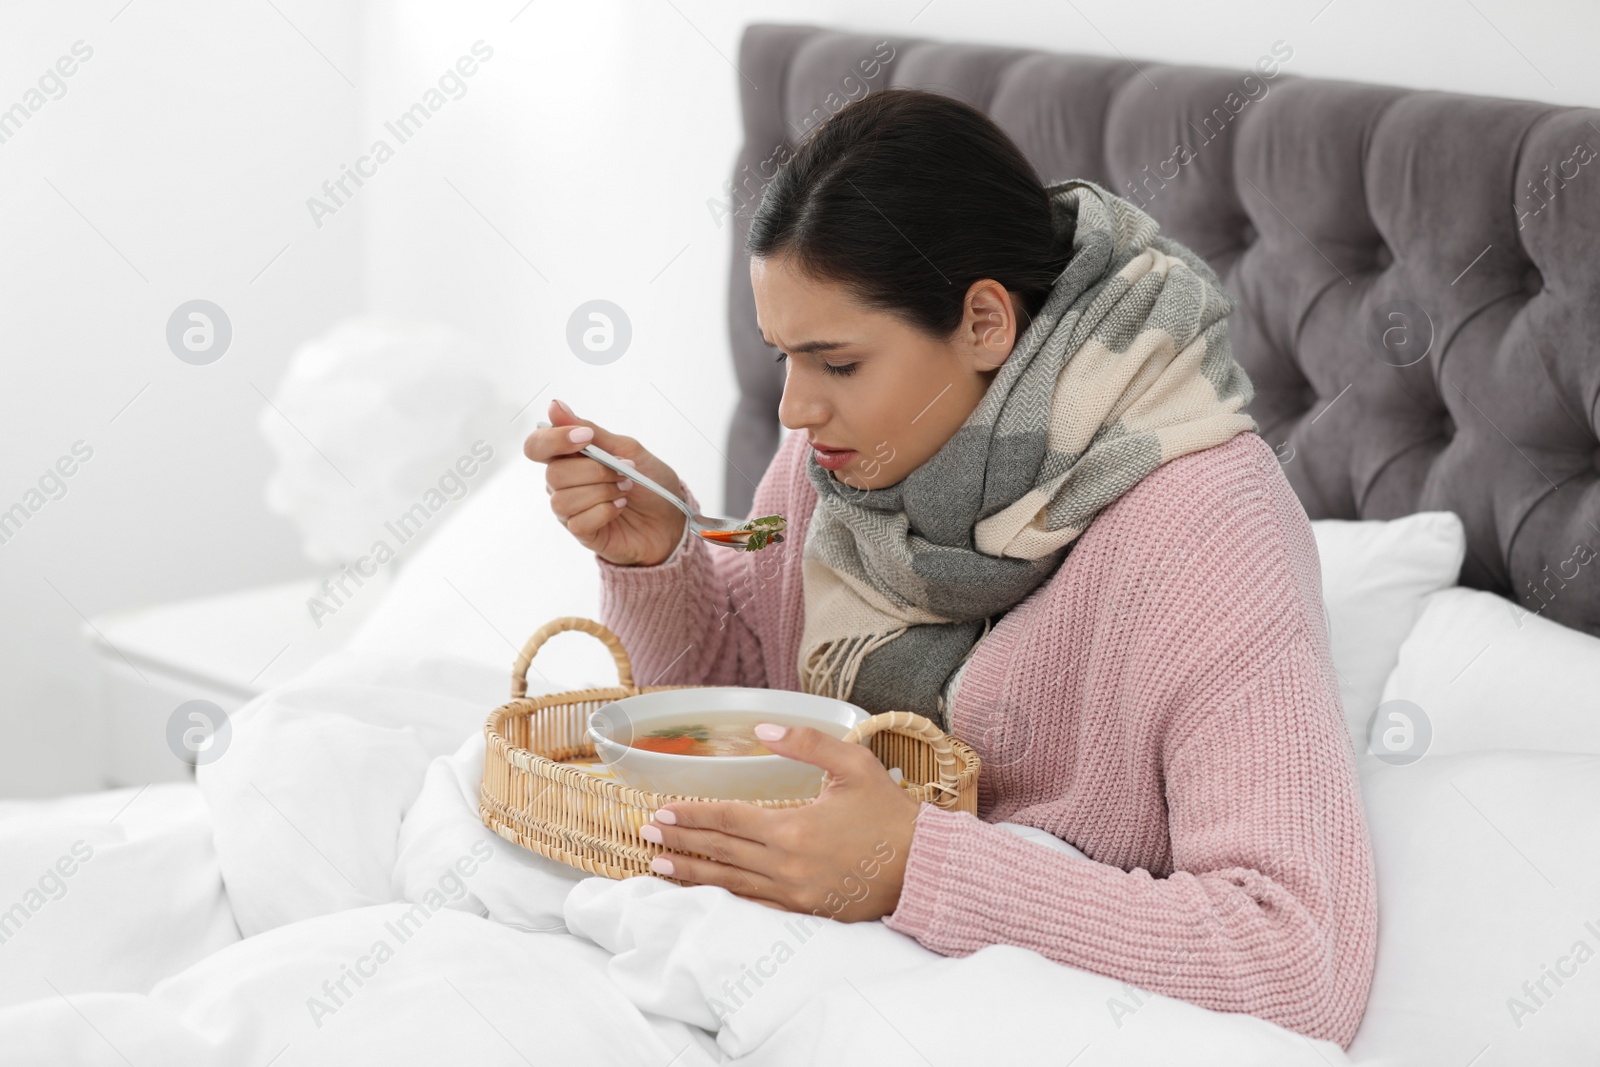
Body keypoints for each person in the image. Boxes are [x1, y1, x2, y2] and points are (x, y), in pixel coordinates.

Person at [523, 88, 1377, 1048]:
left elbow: (1295, 959)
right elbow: (761, 697)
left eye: (836, 363)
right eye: (783, 356)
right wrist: (659, 564)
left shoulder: (1207, 528)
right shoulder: (841, 459)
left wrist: (913, 864)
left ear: (983, 323)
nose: (795, 409)